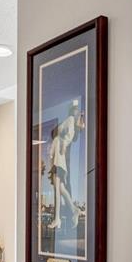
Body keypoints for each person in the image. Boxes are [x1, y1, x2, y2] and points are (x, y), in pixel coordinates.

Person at [47, 98, 84, 230]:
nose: (76, 112)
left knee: (58, 189)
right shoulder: (72, 122)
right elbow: (70, 135)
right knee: (60, 188)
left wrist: (63, 144)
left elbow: (68, 136)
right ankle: (74, 209)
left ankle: (58, 218)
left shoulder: (70, 120)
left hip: (59, 157)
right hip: (59, 156)